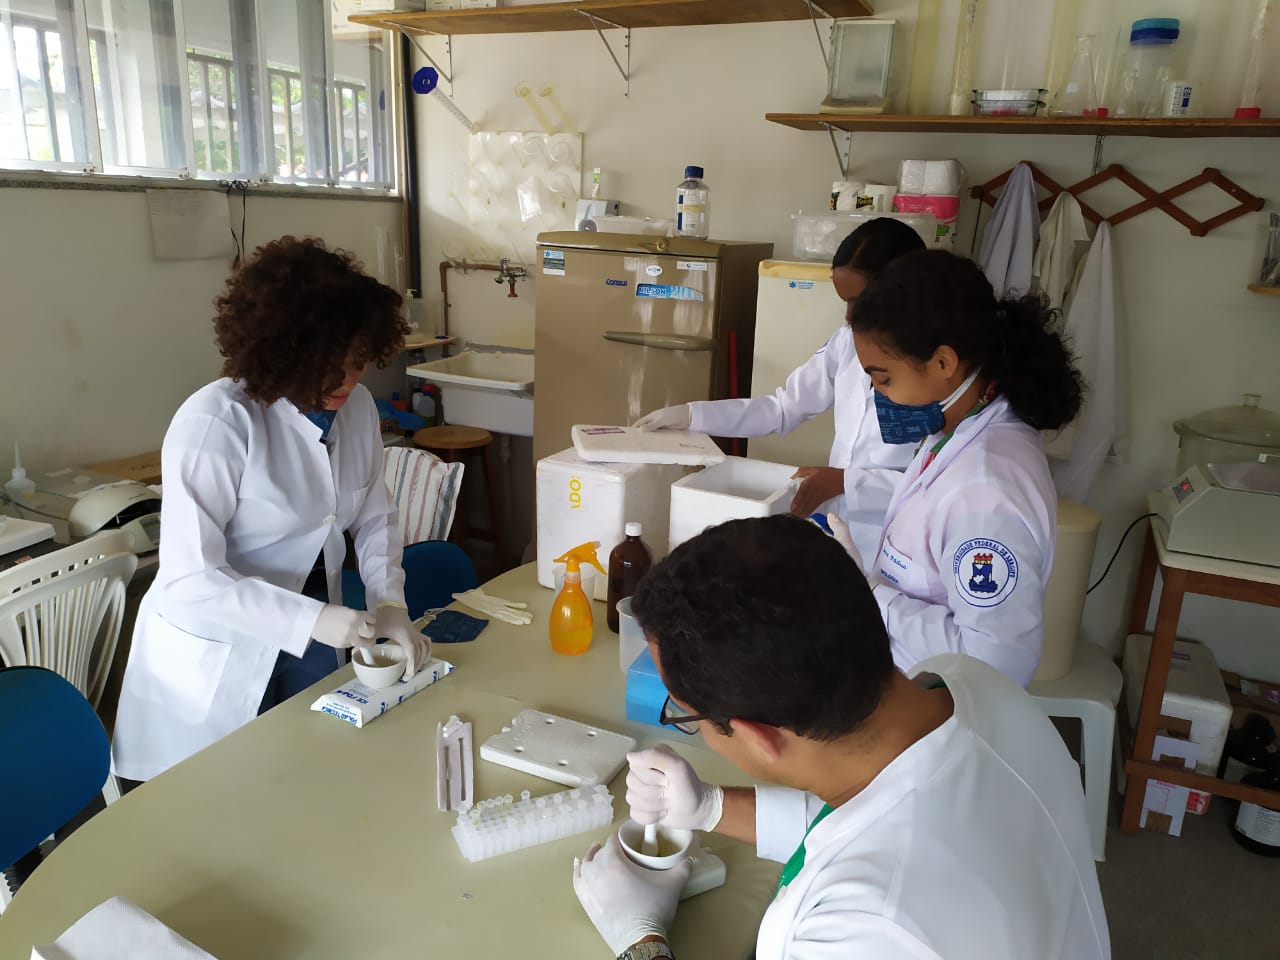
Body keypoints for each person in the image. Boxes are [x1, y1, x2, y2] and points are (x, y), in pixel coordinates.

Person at [572, 515, 1109, 960]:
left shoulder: (860, 932)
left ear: (759, 737)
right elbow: (873, 814)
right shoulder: (969, 685)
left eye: (686, 715)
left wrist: (640, 940)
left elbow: (878, 851)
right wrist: (711, 808)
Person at [112, 236, 429, 783]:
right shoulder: (215, 423)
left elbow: (375, 515)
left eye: (357, 364)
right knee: (225, 791)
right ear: (284, 352)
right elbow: (191, 575)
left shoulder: (356, 410)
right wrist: (313, 619)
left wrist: (390, 602)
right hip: (219, 648)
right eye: (328, 367)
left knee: (306, 775)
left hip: (314, 633)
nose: (345, 382)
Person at [849, 249, 1084, 687]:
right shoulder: (958, 428)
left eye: (884, 379)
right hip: (903, 683)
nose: (877, 395)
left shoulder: (985, 491)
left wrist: (873, 594)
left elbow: (996, 664)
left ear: (943, 362)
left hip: (941, 707)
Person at [632, 218, 925, 563]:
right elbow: (782, 408)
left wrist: (847, 482)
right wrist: (692, 415)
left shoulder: (935, 372)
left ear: (900, 288)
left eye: (858, 300)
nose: (849, 315)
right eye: (844, 302)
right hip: (842, 529)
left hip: (902, 538)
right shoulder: (845, 343)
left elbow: (938, 483)